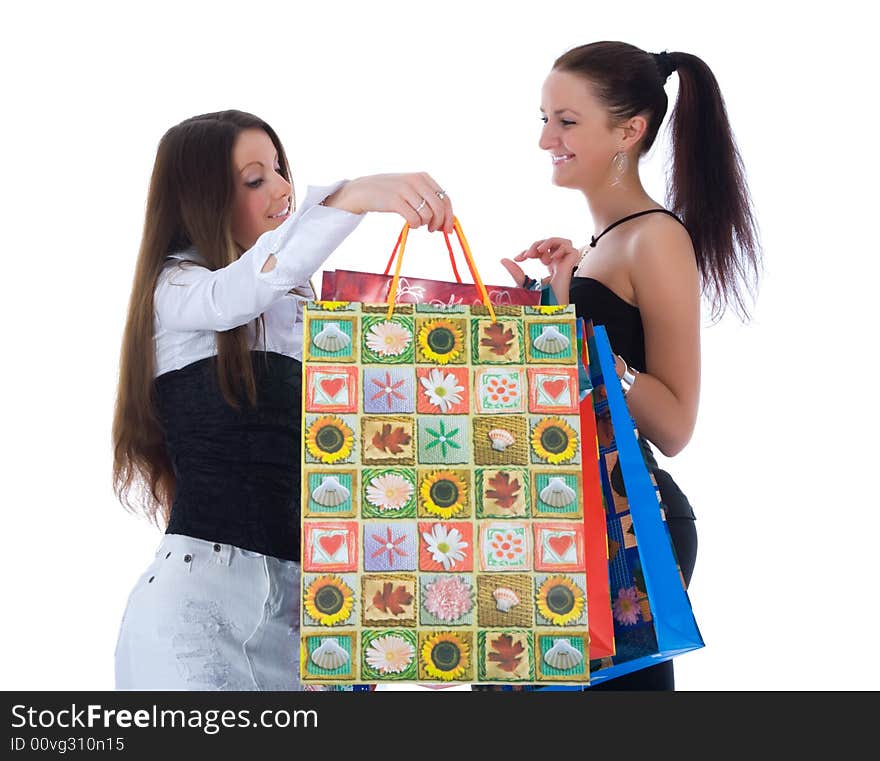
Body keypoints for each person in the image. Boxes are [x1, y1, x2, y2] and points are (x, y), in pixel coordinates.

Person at [112, 109, 453, 690]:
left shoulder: (304, 308)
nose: (283, 189)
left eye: (279, 170)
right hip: (198, 622)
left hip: (314, 627)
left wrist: (531, 311)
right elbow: (236, 293)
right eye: (255, 179)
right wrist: (352, 196)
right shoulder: (178, 290)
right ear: (203, 200)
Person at [501, 41, 761, 690]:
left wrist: (593, 354)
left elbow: (674, 423)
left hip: (626, 530)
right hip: (571, 520)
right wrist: (549, 306)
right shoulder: (596, 246)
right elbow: (571, 396)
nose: (546, 140)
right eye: (543, 119)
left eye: (566, 121)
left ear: (630, 130)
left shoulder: (655, 238)